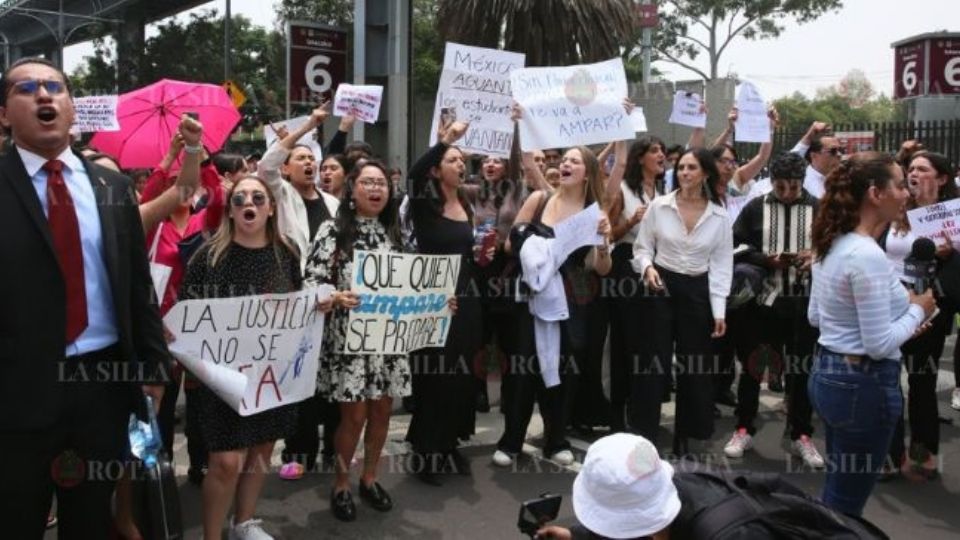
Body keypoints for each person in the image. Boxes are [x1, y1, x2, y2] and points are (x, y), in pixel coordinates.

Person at [0, 56, 168, 538]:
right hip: (17, 393)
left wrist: (154, 364)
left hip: (103, 387)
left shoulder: (111, 187)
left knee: (91, 519)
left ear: (72, 107)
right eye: (27, 88)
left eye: (55, 87)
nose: (44, 95)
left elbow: (137, 285)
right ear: (5, 114)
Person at [807, 151, 936, 516]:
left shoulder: (831, 243)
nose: (907, 193)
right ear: (876, 194)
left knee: (836, 493)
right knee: (845, 505)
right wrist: (917, 310)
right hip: (863, 386)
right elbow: (879, 344)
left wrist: (905, 317)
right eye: (899, 185)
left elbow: (817, 317)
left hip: (829, 376)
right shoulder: (866, 254)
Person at [179, 175, 302, 540]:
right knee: (226, 461)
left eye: (258, 197)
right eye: (239, 198)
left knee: (262, 447)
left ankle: (244, 523)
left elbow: (295, 305)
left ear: (271, 208)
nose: (249, 203)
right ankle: (212, 535)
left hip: (268, 374)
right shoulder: (208, 257)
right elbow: (187, 313)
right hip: (220, 377)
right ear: (230, 210)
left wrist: (319, 306)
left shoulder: (288, 253)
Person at [304, 161, 421, 522]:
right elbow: (311, 283)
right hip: (349, 342)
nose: (376, 188)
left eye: (382, 183)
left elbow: (415, 281)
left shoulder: (397, 232)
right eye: (368, 182)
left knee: (383, 411)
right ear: (352, 190)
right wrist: (336, 297)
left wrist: (437, 300)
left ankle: (369, 478)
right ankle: (341, 482)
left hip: (388, 340)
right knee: (353, 417)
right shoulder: (332, 230)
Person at [494, 142, 616, 467]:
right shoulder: (539, 200)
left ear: (587, 174)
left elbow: (601, 268)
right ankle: (511, 442)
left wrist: (603, 245)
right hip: (530, 295)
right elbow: (508, 244)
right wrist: (536, 247)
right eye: (564, 160)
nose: (565, 164)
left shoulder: (595, 216)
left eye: (574, 162)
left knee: (564, 369)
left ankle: (556, 440)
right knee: (522, 367)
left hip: (571, 299)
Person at [723, 152, 825, 469]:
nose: (787, 194)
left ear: (802, 183)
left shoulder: (820, 208)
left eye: (793, 187)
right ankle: (743, 428)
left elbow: (834, 246)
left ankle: (800, 434)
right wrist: (765, 259)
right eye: (781, 187)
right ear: (772, 183)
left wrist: (814, 254)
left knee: (801, 370)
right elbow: (733, 246)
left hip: (805, 302)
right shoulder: (756, 207)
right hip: (763, 302)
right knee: (755, 367)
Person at [632, 147, 733, 457]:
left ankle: (687, 437)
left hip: (698, 291)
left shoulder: (719, 215)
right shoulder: (659, 207)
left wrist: (719, 310)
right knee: (653, 362)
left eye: (691, 168)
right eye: (681, 167)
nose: (684, 173)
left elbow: (721, 266)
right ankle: (643, 433)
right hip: (661, 285)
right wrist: (647, 268)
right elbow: (641, 248)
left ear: (705, 173)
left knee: (694, 364)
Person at [403, 120, 484, 485]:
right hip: (432, 297)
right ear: (438, 169)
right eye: (453, 159)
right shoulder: (423, 202)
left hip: (466, 296)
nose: (461, 165)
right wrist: (444, 140)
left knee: (462, 374)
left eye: (463, 160)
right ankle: (427, 451)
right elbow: (414, 173)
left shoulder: (465, 200)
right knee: (434, 375)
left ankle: (450, 443)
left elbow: (467, 250)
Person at [880, 151, 958, 480]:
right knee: (888, 382)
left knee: (921, 382)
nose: (914, 174)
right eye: (910, 168)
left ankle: (924, 453)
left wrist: (947, 252)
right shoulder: (896, 210)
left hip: (930, 307)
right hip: (890, 304)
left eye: (922, 169)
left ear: (941, 179)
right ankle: (892, 454)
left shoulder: (953, 216)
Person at [606, 136, 665, 435]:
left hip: (654, 267)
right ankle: (618, 411)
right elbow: (608, 237)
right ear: (640, 158)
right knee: (625, 344)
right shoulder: (624, 191)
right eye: (654, 151)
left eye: (663, 151)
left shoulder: (665, 192)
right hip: (625, 269)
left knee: (647, 344)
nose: (661, 155)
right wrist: (631, 222)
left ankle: (642, 410)